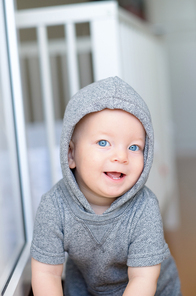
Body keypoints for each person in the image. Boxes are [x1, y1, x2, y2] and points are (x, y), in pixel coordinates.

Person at [31, 76, 182, 296]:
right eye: (104, 143)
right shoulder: (54, 205)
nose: (121, 156)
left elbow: (143, 279)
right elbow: (47, 274)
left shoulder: (144, 207)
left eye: (134, 147)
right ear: (70, 154)